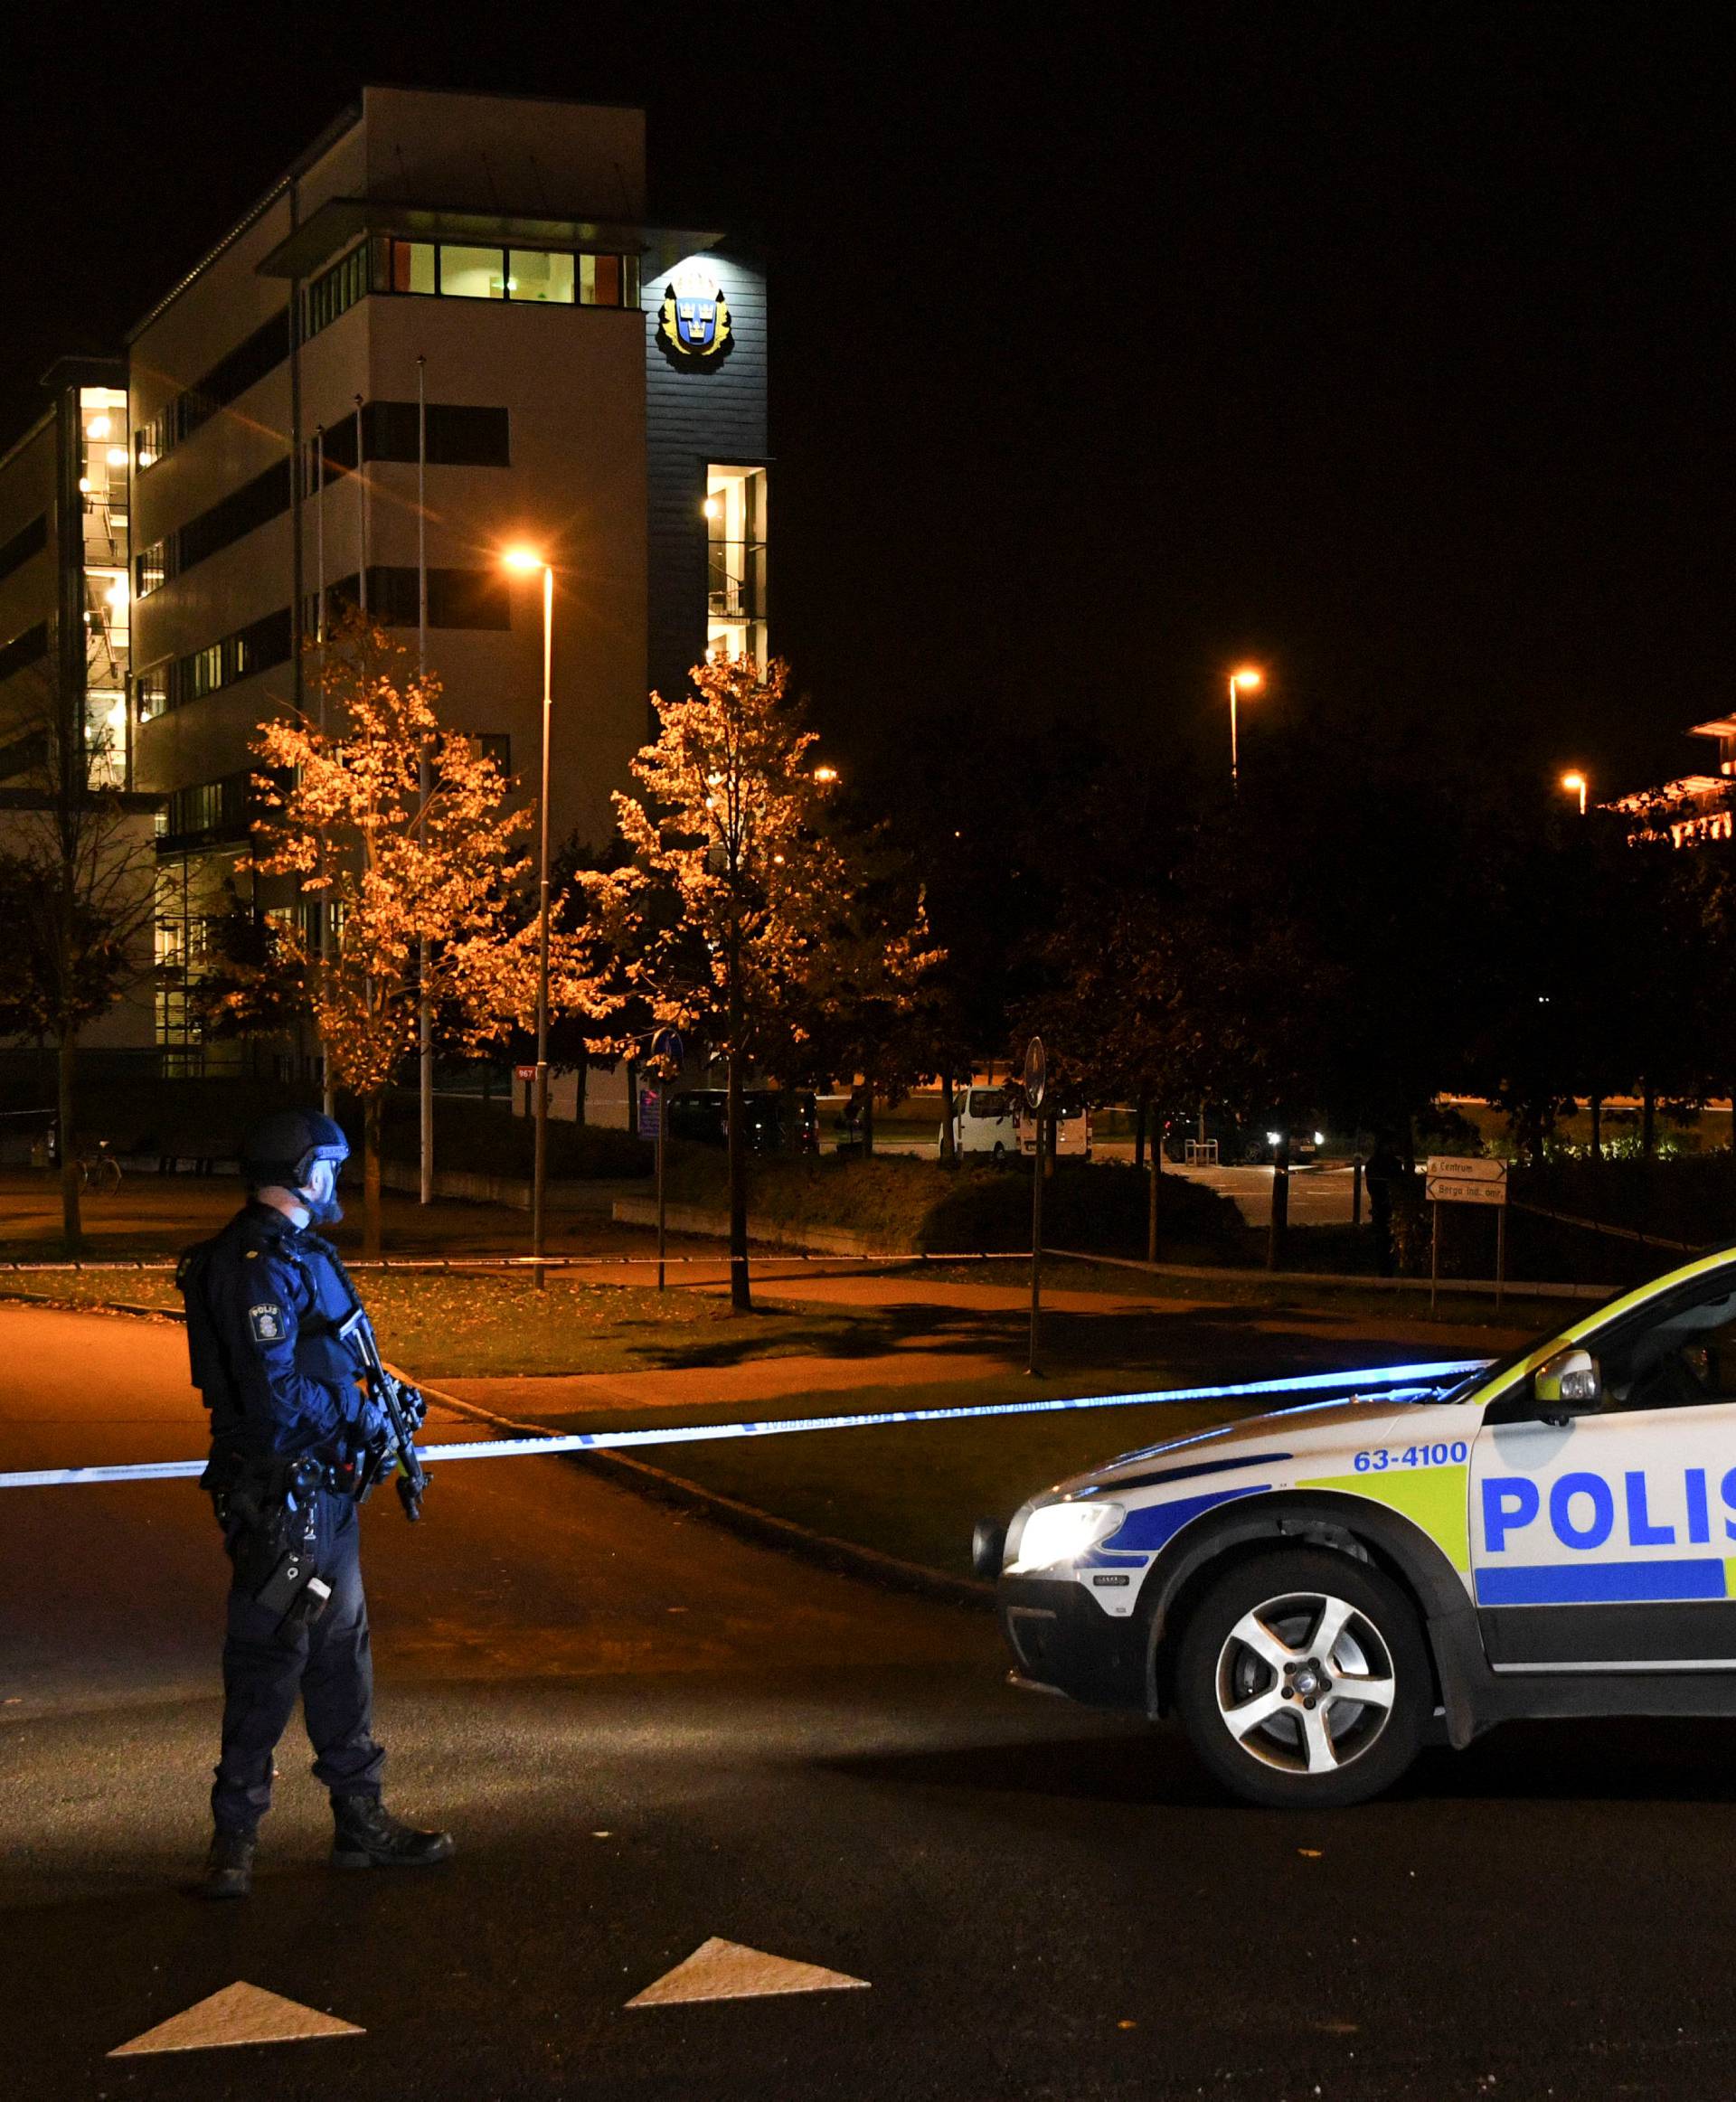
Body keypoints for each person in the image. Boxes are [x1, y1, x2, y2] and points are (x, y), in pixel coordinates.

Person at [179, 1109, 453, 1899]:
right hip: (280, 1501)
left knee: (342, 1655)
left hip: (324, 1494)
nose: (337, 1179)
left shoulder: (295, 1255)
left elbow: (324, 1359)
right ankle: (234, 1838)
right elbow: (276, 1399)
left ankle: (358, 1820)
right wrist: (364, 1416)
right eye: (328, 1164)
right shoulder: (255, 1264)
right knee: (269, 1659)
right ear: (300, 1169)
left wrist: (383, 1400)